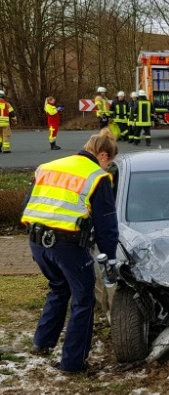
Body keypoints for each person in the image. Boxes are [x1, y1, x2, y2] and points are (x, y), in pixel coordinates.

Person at [21, 128, 119, 373]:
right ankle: (73, 363)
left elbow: (26, 205)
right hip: (67, 246)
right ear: (104, 155)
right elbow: (106, 225)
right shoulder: (97, 177)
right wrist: (109, 260)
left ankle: (42, 343)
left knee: (59, 286)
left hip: (37, 242)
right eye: (110, 163)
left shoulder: (48, 167)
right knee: (83, 298)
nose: (108, 168)